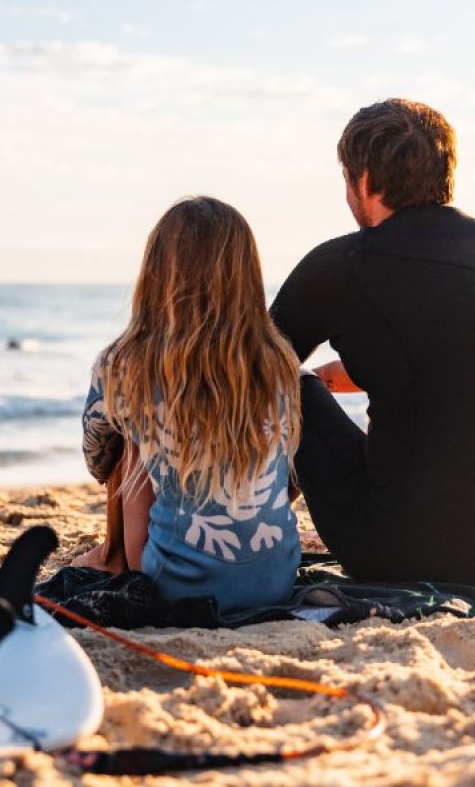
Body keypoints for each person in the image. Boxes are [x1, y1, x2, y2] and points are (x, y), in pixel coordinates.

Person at [269, 98, 475, 585]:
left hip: (402, 552)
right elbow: (460, 360)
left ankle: (238, 529)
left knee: (282, 384)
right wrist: (352, 374)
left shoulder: (343, 266)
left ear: (363, 180)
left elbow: (240, 370)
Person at [73, 197, 303, 612]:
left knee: (129, 446)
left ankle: (114, 560)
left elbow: (97, 459)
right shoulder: (279, 361)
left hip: (173, 583)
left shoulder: (126, 362)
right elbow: (291, 476)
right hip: (278, 578)